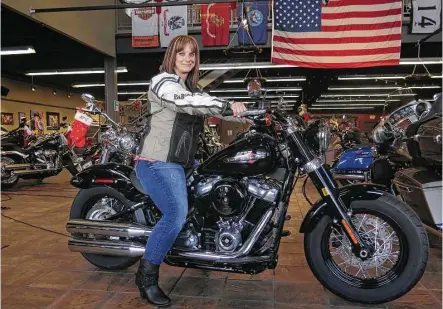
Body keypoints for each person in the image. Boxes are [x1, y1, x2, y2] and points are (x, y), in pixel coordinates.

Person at [134, 35, 247, 306]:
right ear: (171, 56)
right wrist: (225, 106)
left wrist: (247, 113)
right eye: (181, 53)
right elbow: (183, 102)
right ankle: (146, 277)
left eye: (192, 54)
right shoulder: (162, 82)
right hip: (156, 161)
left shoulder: (191, 88)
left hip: (181, 162)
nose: (187, 58)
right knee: (176, 213)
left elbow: (207, 103)